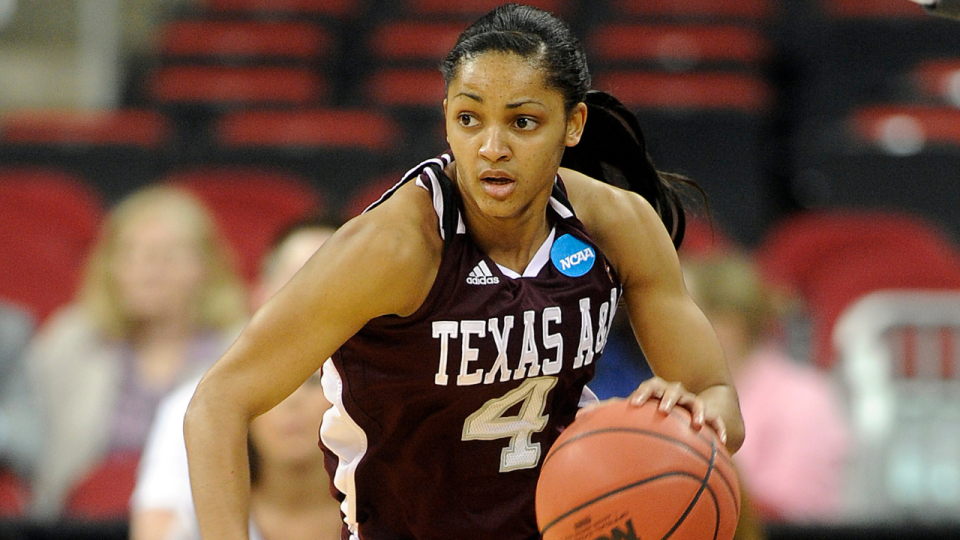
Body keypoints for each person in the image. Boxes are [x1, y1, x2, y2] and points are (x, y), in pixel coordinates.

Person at [184, 5, 745, 540]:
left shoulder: (616, 225)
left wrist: (691, 420)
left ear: (572, 124)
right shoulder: (394, 248)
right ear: (446, 120)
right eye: (469, 119)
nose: (491, 148)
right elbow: (217, 405)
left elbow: (719, 400)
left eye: (522, 122)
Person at [23, 185, 247, 519]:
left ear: (204, 266)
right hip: (74, 525)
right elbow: (30, 450)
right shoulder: (70, 341)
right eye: (128, 254)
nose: (145, 271)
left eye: (163, 256)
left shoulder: (237, 347)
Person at [130, 217, 343, 540]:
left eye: (339, 279)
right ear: (260, 293)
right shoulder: (197, 404)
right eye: (299, 278)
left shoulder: (401, 400)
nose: (314, 294)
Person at [683, 252, 850, 522]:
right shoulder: (677, 392)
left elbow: (784, 507)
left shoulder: (803, 397)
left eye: (682, 314)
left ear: (728, 324)